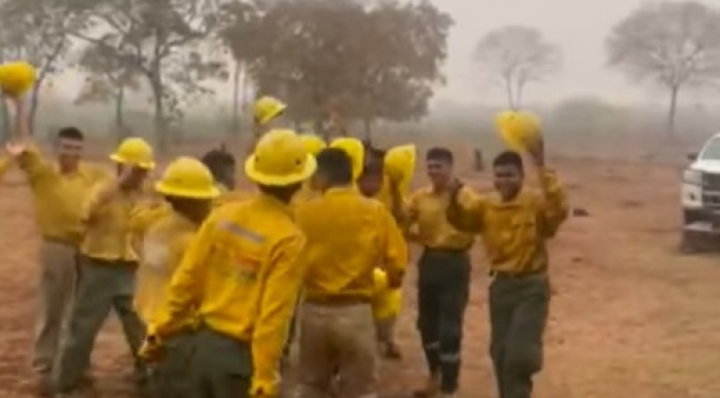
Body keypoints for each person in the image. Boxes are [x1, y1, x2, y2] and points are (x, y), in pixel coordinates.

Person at [142, 129, 314, 398]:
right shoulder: (289, 239)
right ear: (301, 180)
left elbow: (185, 281)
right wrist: (265, 376)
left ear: (256, 174)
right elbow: (273, 318)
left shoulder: (222, 216)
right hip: (240, 360)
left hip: (202, 348)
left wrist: (158, 330)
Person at [2, 95, 109, 396]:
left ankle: (79, 364)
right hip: (57, 248)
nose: (71, 153)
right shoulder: (43, 173)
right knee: (54, 309)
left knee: (83, 311)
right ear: (56, 148)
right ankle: (44, 366)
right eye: (66, 147)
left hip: (88, 248)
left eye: (76, 148)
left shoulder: (92, 175)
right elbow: (24, 140)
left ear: (82, 150)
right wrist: (20, 106)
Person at [445, 143, 569, 398]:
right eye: (499, 175)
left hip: (531, 287)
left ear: (521, 177)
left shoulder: (534, 202)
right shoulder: (486, 205)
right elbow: (462, 221)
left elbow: (559, 208)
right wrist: (454, 199)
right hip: (501, 287)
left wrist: (542, 166)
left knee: (520, 355)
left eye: (510, 175)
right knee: (500, 354)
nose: (504, 180)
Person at [294, 147, 408, 398]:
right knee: (360, 390)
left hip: (313, 312)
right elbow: (398, 266)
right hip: (356, 312)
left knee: (311, 386)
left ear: (322, 176)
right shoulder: (375, 211)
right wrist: (383, 283)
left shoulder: (302, 213)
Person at [52, 137, 156, 397]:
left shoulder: (145, 195)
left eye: (144, 171)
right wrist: (118, 185)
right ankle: (65, 383)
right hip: (98, 267)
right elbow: (85, 213)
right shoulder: (102, 190)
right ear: (123, 167)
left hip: (129, 268)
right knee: (82, 328)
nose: (141, 176)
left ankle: (148, 377)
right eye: (137, 171)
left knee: (139, 327)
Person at [135, 157, 220, 398]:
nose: (210, 204)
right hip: (179, 333)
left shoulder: (156, 228)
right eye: (206, 199)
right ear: (192, 202)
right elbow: (202, 293)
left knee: (161, 385)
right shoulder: (191, 242)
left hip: (150, 323)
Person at [399, 147, 478, 398]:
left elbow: (477, 223)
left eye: (439, 167)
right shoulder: (420, 197)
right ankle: (435, 373)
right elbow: (402, 220)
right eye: (430, 167)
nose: (434, 172)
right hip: (430, 261)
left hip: (455, 264)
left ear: (450, 167)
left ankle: (449, 387)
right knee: (426, 324)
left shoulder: (467, 197)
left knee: (449, 327)